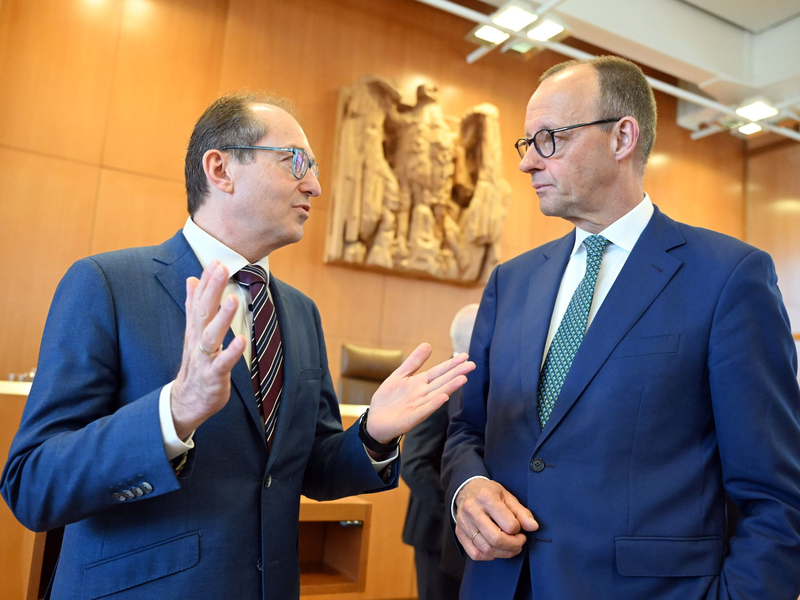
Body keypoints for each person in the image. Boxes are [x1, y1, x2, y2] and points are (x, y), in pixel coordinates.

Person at [0, 92, 475, 600]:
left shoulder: (301, 312)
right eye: (296, 162)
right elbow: (32, 485)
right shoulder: (106, 285)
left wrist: (374, 434)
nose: (314, 185)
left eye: (313, 168)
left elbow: (309, 469)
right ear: (221, 169)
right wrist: (174, 414)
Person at [441, 56, 800, 599]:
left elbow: (775, 496)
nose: (528, 162)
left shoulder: (728, 277)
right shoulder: (510, 282)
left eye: (549, 139)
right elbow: (467, 429)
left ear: (622, 138)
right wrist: (467, 487)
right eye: (527, 143)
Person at [401, 303, 477, 600]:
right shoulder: (439, 385)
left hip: (462, 536)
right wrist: (458, 510)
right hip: (436, 529)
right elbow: (414, 464)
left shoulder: (476, 382)